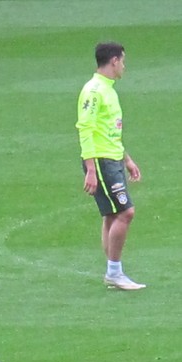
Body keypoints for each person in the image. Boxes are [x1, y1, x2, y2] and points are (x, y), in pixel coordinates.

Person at [75, 42, 146, 291]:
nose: (124, 66)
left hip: (112, 159)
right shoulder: (94, 91)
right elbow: (86, 129)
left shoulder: (109, 89)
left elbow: (108, 132)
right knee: (126, 213)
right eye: (123, 61)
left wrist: (126, 160)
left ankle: (112, 271)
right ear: (114, 60)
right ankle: (114, 272)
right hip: (102, 162)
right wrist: (92, 169)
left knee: (112, 215)